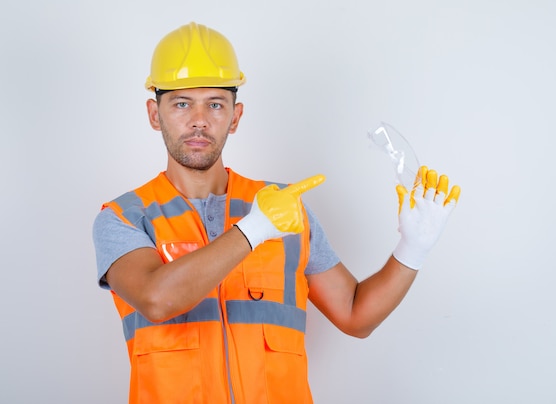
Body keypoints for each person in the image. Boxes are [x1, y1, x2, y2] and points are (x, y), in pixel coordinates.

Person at [92, 21, 461, 404]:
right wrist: (254, 229)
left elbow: (355, 315)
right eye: (182, 103)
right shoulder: (124, 217)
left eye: (215, 104)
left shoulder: (286, 210)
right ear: (155, 114)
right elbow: (157, 300)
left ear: (235, 116)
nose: (199, 119)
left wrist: (412, 250)